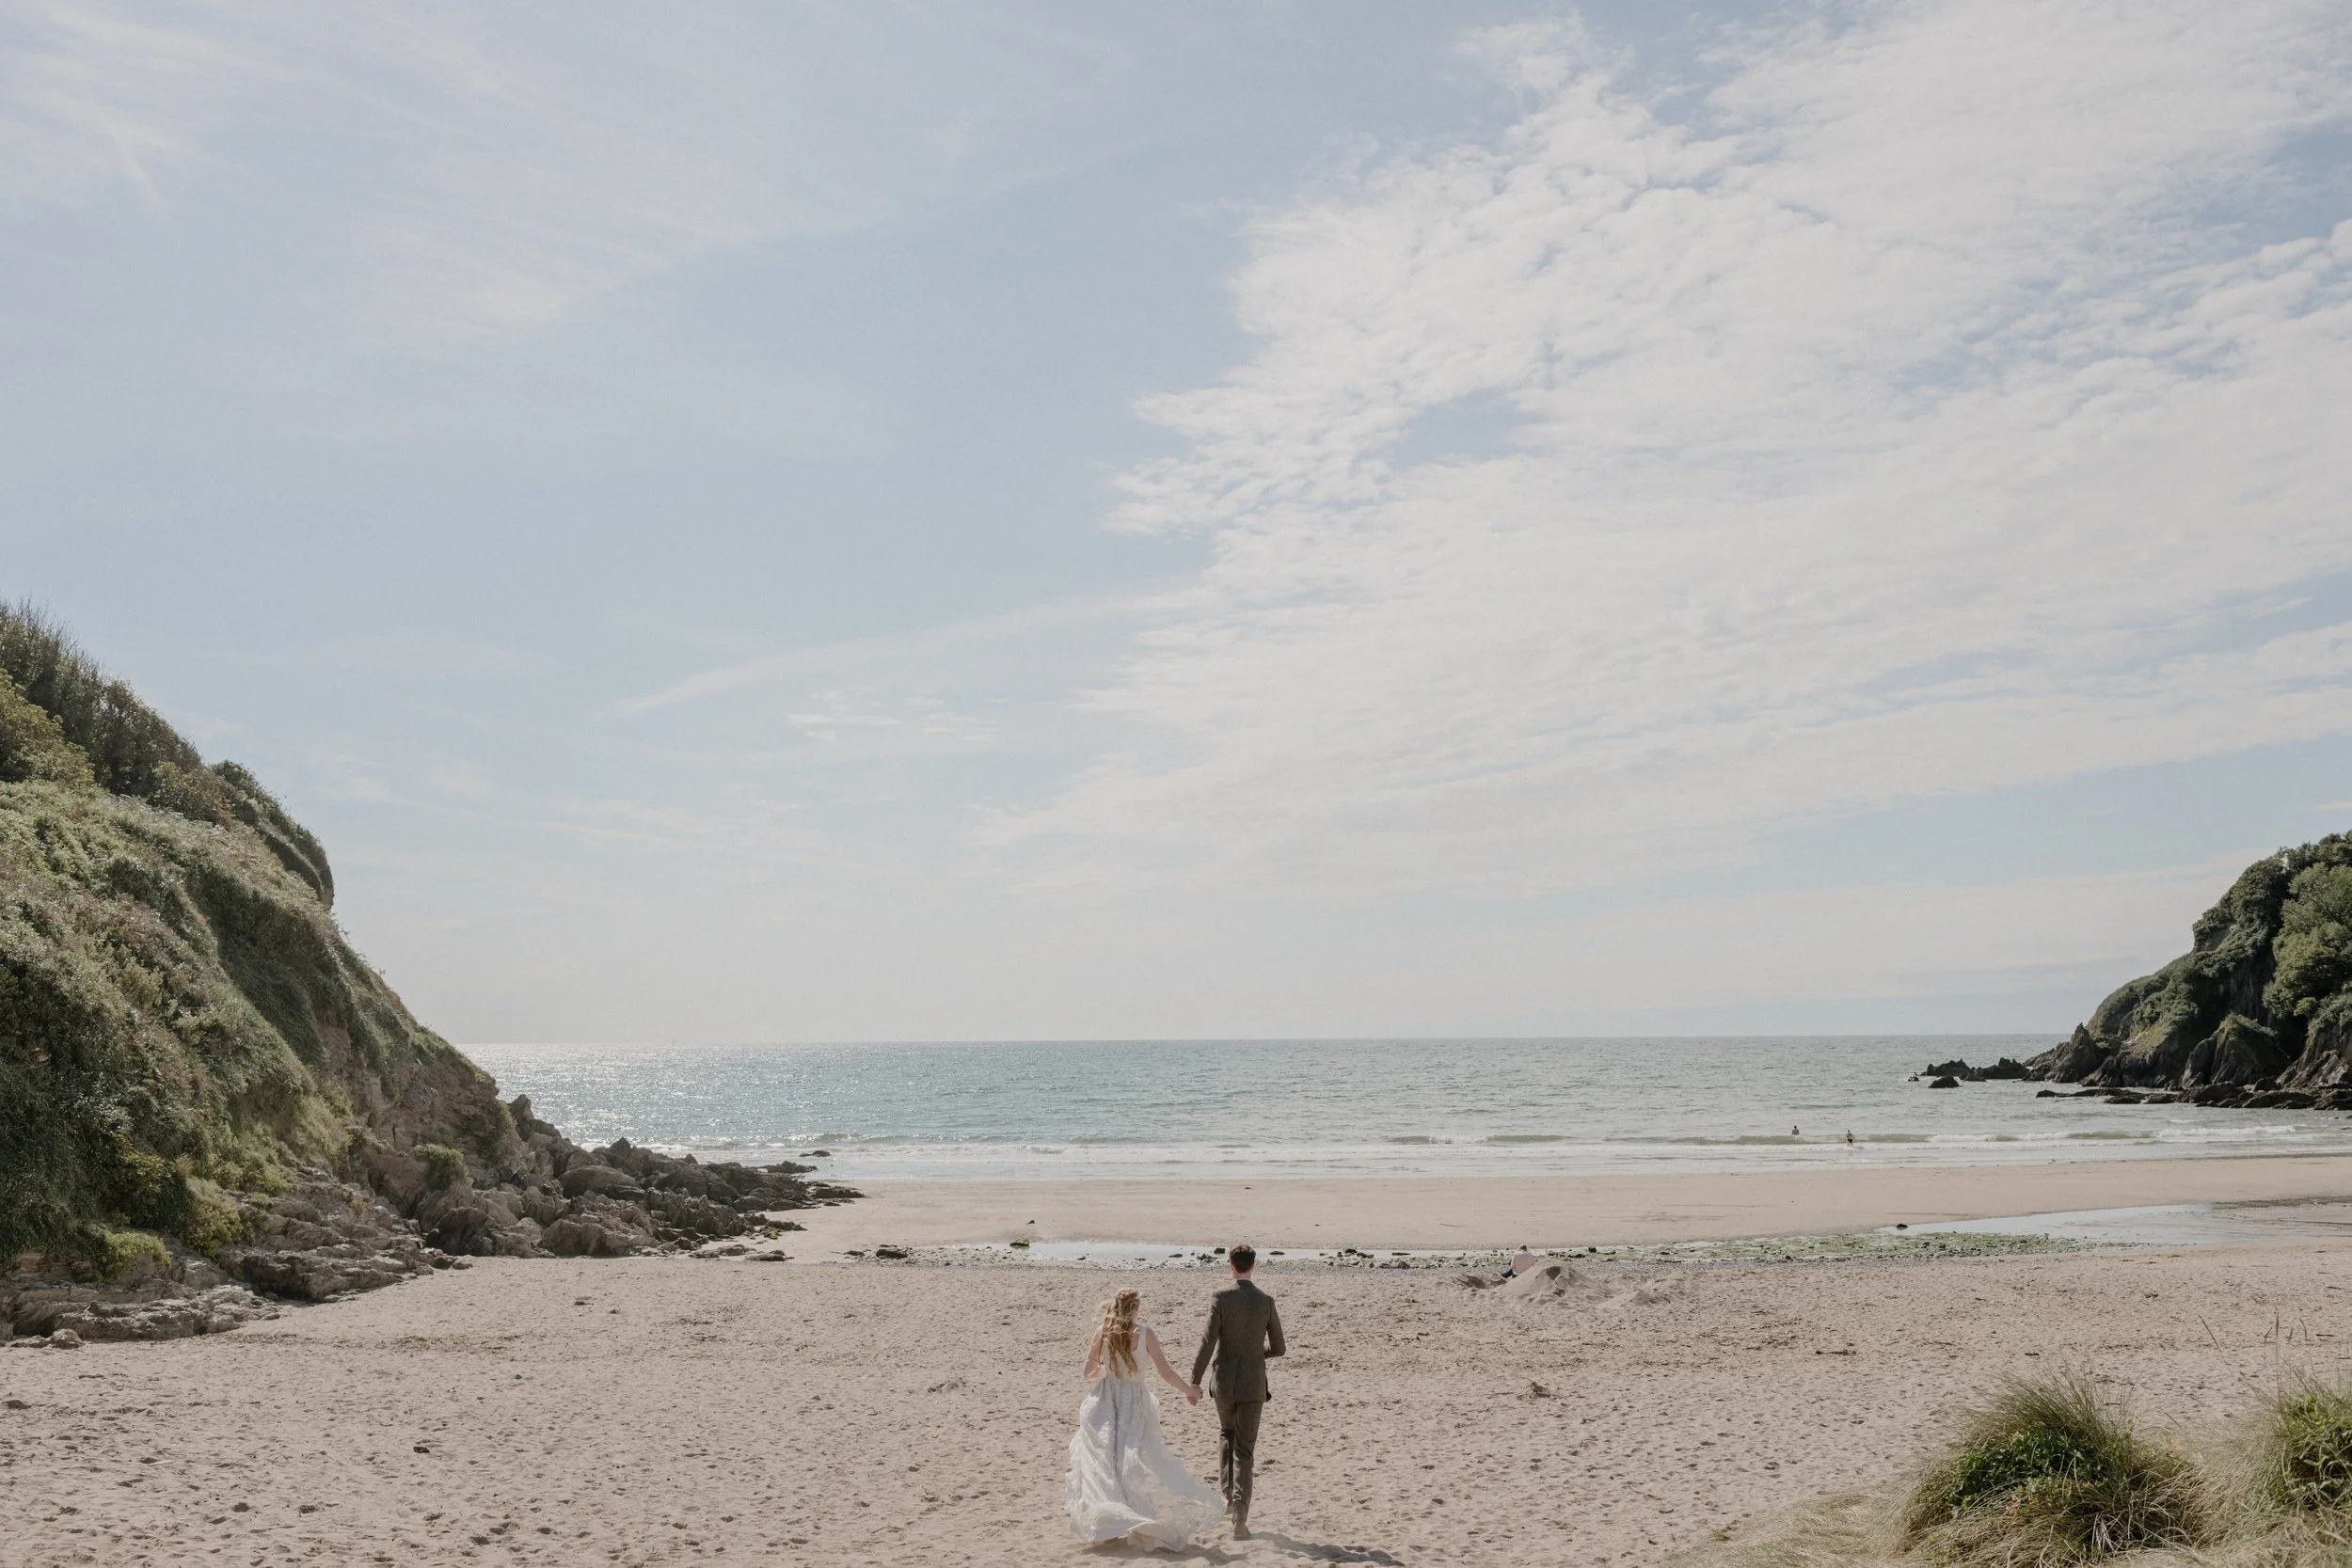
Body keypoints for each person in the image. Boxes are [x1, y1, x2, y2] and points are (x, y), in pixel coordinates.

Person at [1064, 1288, 1224, 1549]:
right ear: (1135, 1308)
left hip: (1103, 1401)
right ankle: (1124, 1517)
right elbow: (1165, 1372)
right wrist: (1190, 1391)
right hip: (1133, 1404)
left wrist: (1106, 1370)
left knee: (1105, 1462)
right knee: (1132, 1460)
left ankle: (1112, 1519)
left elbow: (1087, 1371)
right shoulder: (1145, 1333)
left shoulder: (1102, 1332)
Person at [1190, 1243, 1285, 1539]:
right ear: (1252, 1266)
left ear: (1231, 1265)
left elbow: (1208, 1343)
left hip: (1224, 1383)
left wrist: (1194, 1380)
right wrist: (1258, 1354)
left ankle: (1228, 1495)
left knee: (1226, 1435)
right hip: (1253, 1385)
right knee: (1245, 1450)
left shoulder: (1221, 1298)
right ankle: (1240, 1519)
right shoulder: (1266, 1301)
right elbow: (1280, 1348)